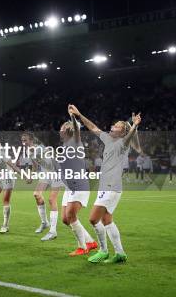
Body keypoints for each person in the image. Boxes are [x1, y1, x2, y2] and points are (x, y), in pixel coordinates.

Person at [69, 105, 142, 264]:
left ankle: (103, 251)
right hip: (107, 187)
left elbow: (129, 138)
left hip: (111, 187)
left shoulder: (123, 143)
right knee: (107, 220)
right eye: (114, 124)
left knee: (93, 219)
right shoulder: (108, 139)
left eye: (117, 126)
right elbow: (93, 127)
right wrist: (79, 114)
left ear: (122, 132)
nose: (112, 127)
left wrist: (135, 125)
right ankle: (120, 253)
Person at [60, 106, 98, 257]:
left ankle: (82, 247)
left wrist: (73, 117)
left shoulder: (75, 141)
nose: (60, 129)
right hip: (69, 187)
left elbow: (77, 129)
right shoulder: (64, 146)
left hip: (79, 184)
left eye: (62, 127)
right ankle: (90, 241)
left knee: (70, 214)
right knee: (65, 219)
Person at [22, 132, 63, 241]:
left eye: (25, 140)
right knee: (36, 194)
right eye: (22, 140)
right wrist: (30, 176)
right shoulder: (28, 151)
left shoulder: (40, 148)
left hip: (55, 173)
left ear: (31, 140)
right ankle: (45, 223)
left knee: (51, 200)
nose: (24, 143)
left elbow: (52, 155)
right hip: (45, 174)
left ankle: (53, 231)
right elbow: (35, 165)